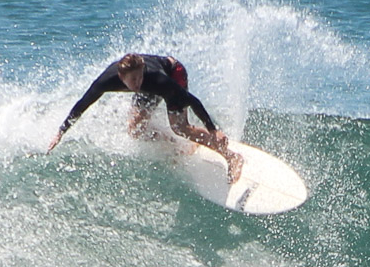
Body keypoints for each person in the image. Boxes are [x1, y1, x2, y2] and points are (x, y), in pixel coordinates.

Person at [47, 53, 244, 182]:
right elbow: (83, 104)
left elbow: (193, 101)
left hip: (174, 73)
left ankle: (231, 156)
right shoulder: (106, 81)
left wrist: (213, 129)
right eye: (133, 80)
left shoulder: (157, 80)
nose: (138, 83)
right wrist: (60, 132)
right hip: (151, 84)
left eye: (140, 77)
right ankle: (176, 146)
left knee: (180, 127)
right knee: (135, 129)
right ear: (121, 77)